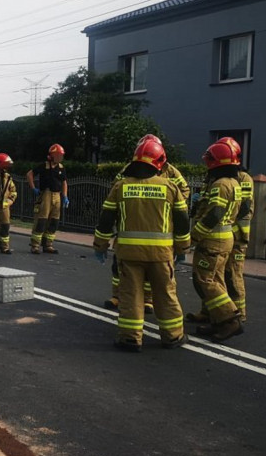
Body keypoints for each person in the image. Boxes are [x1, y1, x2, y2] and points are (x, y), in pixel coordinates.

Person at [93, 138, 191, 351]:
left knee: (130, 295)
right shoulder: (170, 187)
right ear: (159, 162)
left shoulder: (121, 186)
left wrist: (100, 246)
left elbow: (106, 219)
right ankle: (173, 337)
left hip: (129, 254)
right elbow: (183, 223)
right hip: (161, 255)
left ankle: (130, 338)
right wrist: (182, 249)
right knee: (165, 294)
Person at [187, 141, 245, 341]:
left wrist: (194, 236)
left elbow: (214, 215)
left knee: (205, 280)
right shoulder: (234, 183)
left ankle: (230, 319)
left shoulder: (220, 185)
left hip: (213, 241)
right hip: (224, 239)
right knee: (217, 279)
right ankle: (217, 320)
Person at [215, 137, 254, 322]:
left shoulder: (244, 178)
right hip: (226, 235)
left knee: (233, 273)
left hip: (238, 236)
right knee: (217, 274)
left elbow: (244, 207)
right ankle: (212, 311)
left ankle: (239, 314)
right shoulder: (219, 178)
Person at [25, 143, 68, 254]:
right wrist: (33, 188)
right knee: (42, 220)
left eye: (61, 155)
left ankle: (48, 244)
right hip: (46, 194)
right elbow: (29, 174)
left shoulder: (61, 168)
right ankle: (35, 245)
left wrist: (65, 196)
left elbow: (64, 183)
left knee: (54, 220)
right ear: (52, 155)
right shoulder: (43, 166)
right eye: (58, 155)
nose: (60, 157)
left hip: (57, 195)